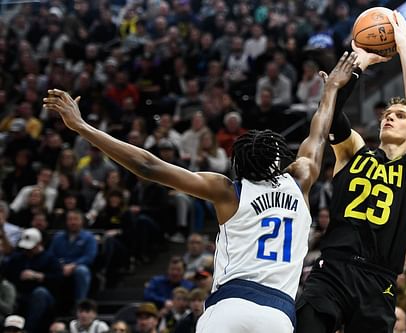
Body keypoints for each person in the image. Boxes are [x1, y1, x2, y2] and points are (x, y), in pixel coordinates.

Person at [43, 51, 359, 333]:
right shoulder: (301, 176)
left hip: (229, 305)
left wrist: (83, 127)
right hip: (278, 314)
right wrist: (331, 88)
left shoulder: (228, 191)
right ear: (280, 158)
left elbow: (149, 166)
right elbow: (318, 131)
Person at [296, 11, 406, 333]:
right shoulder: (354, 150)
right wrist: (361, 65)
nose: (389, 117)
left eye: (399, 115)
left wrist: (403, 47)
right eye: (386, 113)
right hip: (331, 270)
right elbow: (330, 115)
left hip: (378, 281)